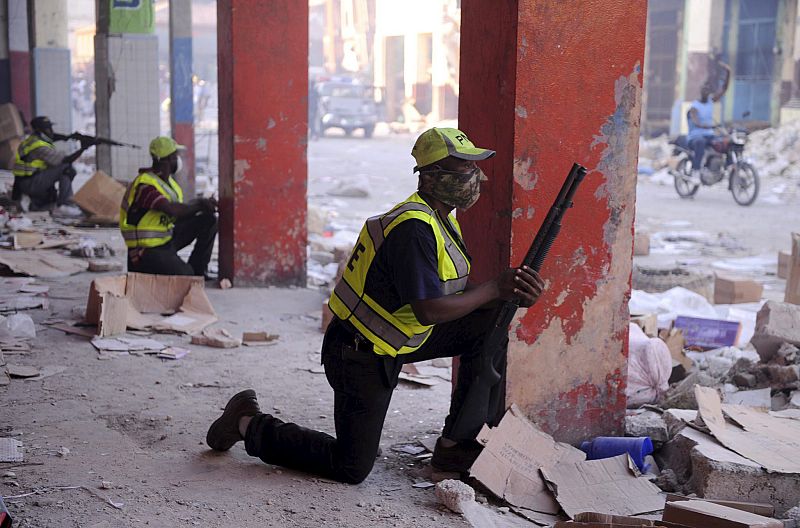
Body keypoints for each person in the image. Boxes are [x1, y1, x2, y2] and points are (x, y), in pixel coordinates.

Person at [205, 127, 545, 484]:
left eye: (474, 166)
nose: (475, 176)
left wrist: (507, 293)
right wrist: (494, 288)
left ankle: (456, 445)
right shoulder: (413, 229)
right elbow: (429, 310)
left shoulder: (440, 220)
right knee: (351, 466)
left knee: (492, 320)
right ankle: (246, 422)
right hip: (358, 353)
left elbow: (453, 290)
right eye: (464, 168)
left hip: (395, 340)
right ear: (432, 176)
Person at [120, 136, 218, 277]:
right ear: (166, 160)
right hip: (145, 251)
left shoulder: (169, 184)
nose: (177, 160)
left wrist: (202, 204)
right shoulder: (145, 185)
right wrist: (200, 204)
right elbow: (171, 209)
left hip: (165, 240)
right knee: (185, 276)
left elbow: (180, 211)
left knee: (208, 220)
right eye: (175, 156)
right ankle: (190, 275)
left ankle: (199, 272)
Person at [12, 116, 93, 216]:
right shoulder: (40, 147)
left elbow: (53, 137)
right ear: (39, 130)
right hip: (30, 184)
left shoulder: (32, 140)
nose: (51, 131)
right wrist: (83, 148)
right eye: (47, 129)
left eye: (51, 128)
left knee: (54, 177)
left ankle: (38, 203)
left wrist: (68, 137)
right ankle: (65, 205)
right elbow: (65, 160)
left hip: (24, 182)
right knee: (66, 168)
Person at [686, 60, 731, 183]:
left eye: (708, 88)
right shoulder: (695, 106)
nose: (706, 89)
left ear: (710, 91)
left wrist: (728, 72)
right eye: (704, 88)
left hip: (709, 136)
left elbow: (724, 88)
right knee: (700, 142)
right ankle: (695, 171)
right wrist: (706, 126)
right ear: (701, 90)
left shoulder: (711, 101)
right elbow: (695, 120)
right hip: (695, 137)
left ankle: (730, 168)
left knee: (726, 142)